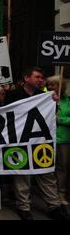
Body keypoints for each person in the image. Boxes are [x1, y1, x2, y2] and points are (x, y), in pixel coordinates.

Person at [4, 67, 69, 220]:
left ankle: (54, 206)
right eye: (38, 77)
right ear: (27, 78)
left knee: (46, 174)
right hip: (20, 141)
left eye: (42, 77)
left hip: (41, 142)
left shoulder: (44, 96)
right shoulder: (13, 95)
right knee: (22, 175)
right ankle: (23, 207)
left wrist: (55, 103)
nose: (41, 80)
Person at [47, 75, 70, 206]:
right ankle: (50, 193)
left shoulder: (68, 101)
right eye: (49, 85)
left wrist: (60, 119)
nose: (50, 87)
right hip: (48, 138)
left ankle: (61, 194)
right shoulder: (45, 99)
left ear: (60, 86)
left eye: (53, 85)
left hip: (64, 139)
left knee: (62, 168)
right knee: (48, 167)